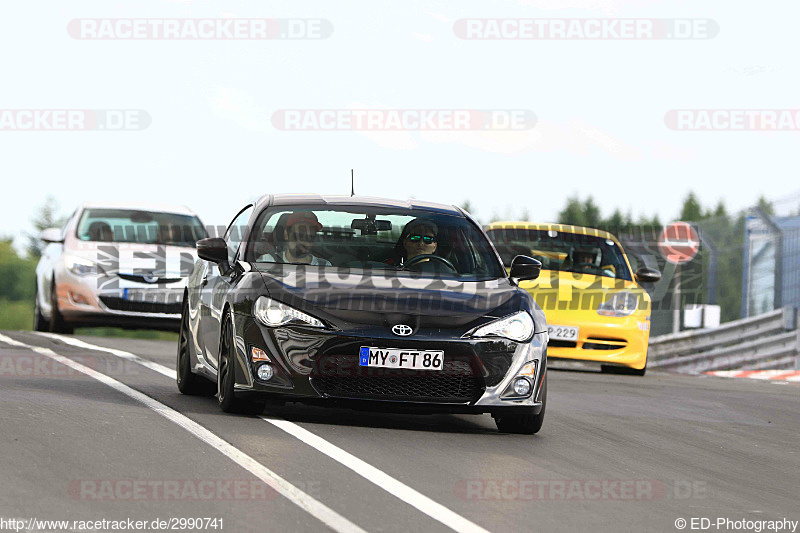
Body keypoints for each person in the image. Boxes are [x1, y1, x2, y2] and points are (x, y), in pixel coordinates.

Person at [257, 211, 331, 266]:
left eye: (309, 237)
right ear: (286, 235)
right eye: (297, 236)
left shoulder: (324, 266)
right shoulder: (267, 261)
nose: (303, 242)